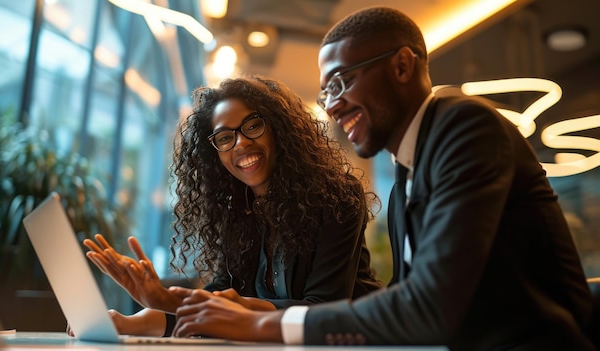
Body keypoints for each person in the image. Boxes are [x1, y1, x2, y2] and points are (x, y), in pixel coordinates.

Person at [169, 6, 598, 350]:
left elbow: (429, 307)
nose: (333, 107)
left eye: (340, 83)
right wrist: (177, 309)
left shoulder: (465, 127)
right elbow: (401, 299)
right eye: (326, 93)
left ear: (402, 66)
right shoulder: (406, 177)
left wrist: (264, 325)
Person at [79, 75, 383, 337]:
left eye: (252, 125)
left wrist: (173, 300)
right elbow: (221, 293)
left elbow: (321, 309)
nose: (240, 143)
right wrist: (132, 321)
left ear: (279, 129)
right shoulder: (239, 210)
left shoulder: (335, 198)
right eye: (225, 137)